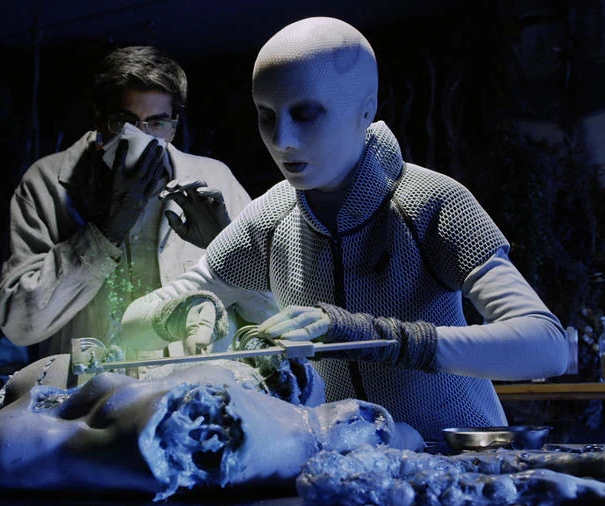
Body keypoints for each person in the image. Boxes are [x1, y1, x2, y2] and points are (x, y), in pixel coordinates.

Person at [121, 18, 568, 442]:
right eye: (267, 115)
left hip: (457, 462)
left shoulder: (431, 202)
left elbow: (547, 346)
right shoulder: (268, 219)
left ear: (365, 111)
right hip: (343, 471)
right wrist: (185, 310)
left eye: (306, 113)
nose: (282, 140)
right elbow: (132, 324)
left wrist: (376, 338)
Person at [0, 46, 268, 362]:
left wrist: (228, 255)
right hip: (91, 386)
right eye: (124, 121)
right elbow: (18, 324)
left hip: (188, 382)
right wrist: (103, 235)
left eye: (157, 122)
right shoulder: (46, 184)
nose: (141, 136)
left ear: (174, 125)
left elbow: (272, 312)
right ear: (98, 117)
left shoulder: (215, 180)